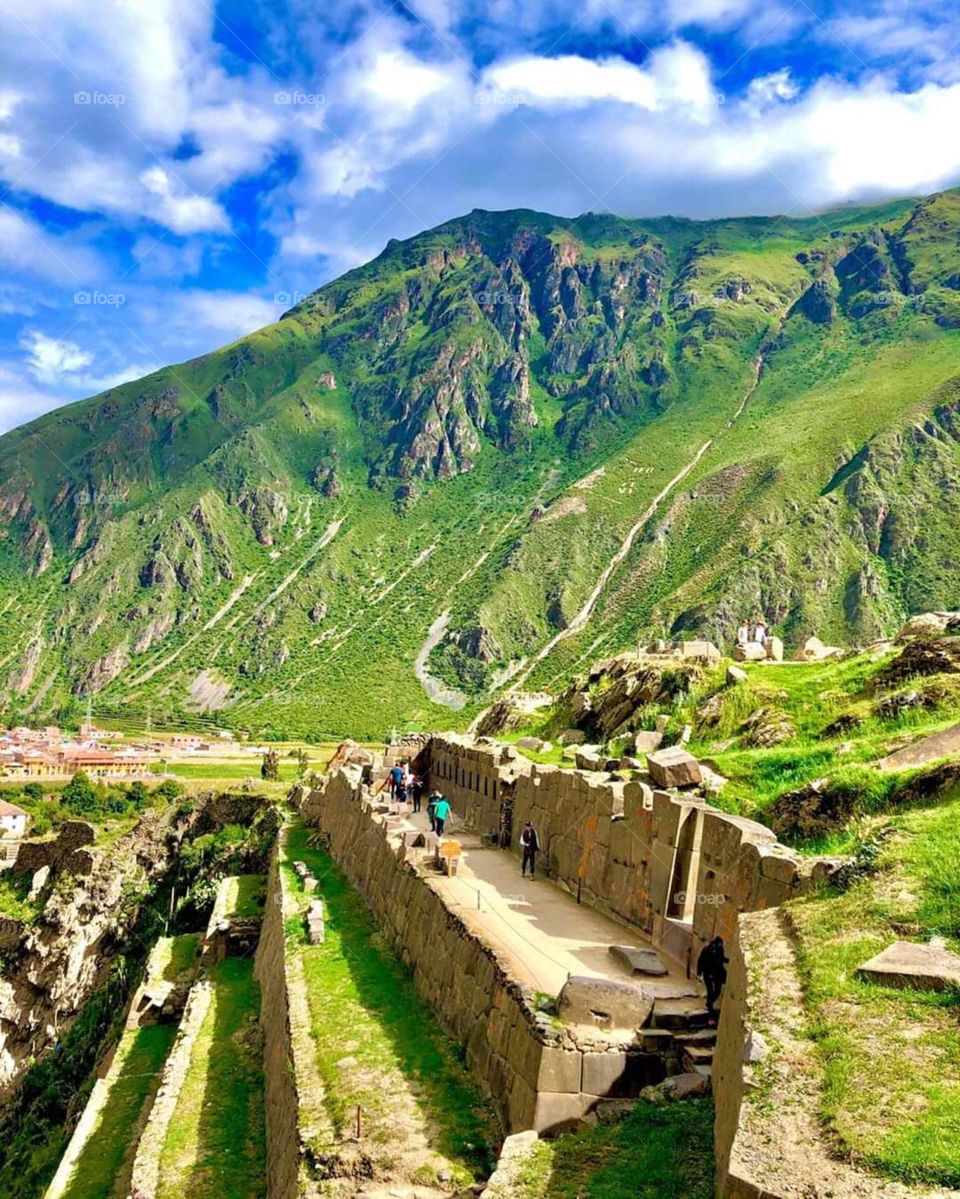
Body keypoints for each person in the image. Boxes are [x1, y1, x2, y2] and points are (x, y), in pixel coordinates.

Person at [697, 936, 729, 1024]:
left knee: (717, 991)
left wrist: (729, 960)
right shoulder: (707, 950)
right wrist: (699, 974)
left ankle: (709, 1003)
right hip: (708, 974)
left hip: (717, 974)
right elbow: (700, 962)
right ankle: (710, 1013)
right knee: (711, 992)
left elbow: (721, 959)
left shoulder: (720, 949)